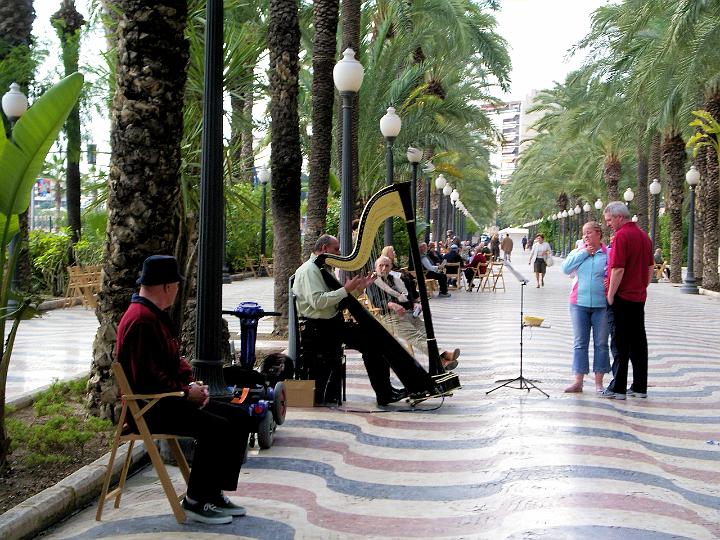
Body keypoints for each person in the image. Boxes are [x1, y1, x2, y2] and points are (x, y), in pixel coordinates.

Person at [115, 255, 251, 525]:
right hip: (152, 408)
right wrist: (186, 393)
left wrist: (190, 385)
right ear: (166, 286)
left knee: (239, 417)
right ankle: (196, 501)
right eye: (176, 285)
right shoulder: (142, 320)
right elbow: (147, 379)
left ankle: (212, 494)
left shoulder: (152, 315)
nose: (178, 290)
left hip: (169, 400)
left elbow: (172, 362)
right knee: (217, 427)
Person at [292, 235, 408, 406]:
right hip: (318, 328)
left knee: (375, 340)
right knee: (373, 343)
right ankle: (384, 393)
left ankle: (386, 392)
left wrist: (357, 290)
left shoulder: (322, 268)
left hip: (331, 324)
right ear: (325, 249)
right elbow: (318, 302)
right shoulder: (310, 270)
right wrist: (346, 289)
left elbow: (335, 302)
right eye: (336, 249)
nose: (339, 253)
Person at [367, 256, 460, 370]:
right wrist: (390, 304)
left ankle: (441, 361)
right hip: (389, 315)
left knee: (426, 334)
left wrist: (415, 304)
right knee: (416, 336)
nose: (384, 268)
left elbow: (408, 296)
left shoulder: (395, 279)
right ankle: (443, 355)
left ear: (391, 267)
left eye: (387, 265)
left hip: (409, 313)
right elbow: (376, 302)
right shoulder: (372, 282)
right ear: (376, 267)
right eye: (380, 265)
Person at [600, 202, 653, 400]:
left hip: (622, 297)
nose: (608, 224)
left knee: (620, 342)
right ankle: (640, 386)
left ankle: (618, 387)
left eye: (609, 220)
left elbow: (617, 269)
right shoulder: (644, 236)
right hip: (639, 297)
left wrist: (611, 294)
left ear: (619, 217)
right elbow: (649, 267)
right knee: (639, 342)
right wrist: (642, 286)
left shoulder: (621, 236)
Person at [561, 222, 610, 394]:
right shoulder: (578, 252)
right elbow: (565, 268)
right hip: (578, 304)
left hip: (602, 305)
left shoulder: (608, 254)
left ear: (599, 234)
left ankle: (599, 384)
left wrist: (609, 282)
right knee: (580, 343)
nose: (586, 236)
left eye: (589, 233)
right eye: (584, 234)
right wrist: (584, 253)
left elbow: (616, 272)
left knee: (601, 344)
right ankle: (578, 382)